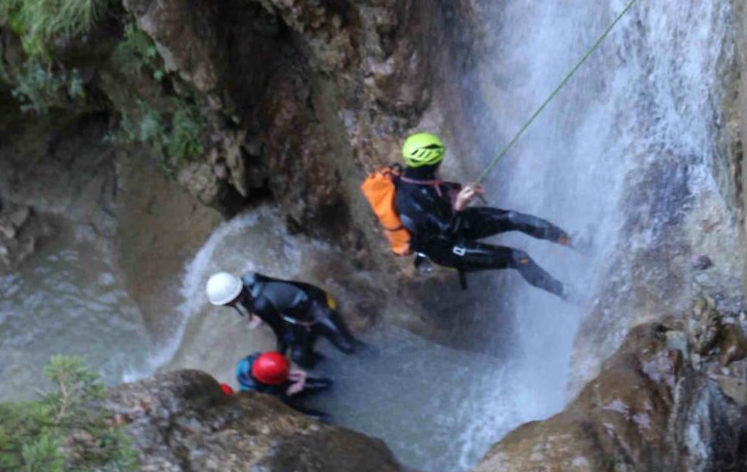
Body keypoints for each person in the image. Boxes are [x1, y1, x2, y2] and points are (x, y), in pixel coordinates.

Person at [381, 130, 586, 298]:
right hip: (447, 247)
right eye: (438, 161)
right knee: (517, 257)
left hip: (456, 221)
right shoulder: (409, 201)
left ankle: (572, 241)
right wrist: (460, 203)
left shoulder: (415, 176)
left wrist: (460, 190)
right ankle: (568, 293)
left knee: (512, 218)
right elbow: (449, 230)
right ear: (431, 162)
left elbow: (436, 188)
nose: (440, 164)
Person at [205, 268, 358, 365]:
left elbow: (284, 335)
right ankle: (334, 368)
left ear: (231, 300)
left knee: (348, 346)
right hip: (297, 310)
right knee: (300, 357)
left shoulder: (260, 305)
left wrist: (276, 357)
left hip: (315, 305)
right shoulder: (250, 279)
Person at [233, 349, 335, 421]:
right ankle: (316, 418)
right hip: (272, 397)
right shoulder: (253, 392)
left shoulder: (256, 360)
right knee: (295, 414)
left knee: (317, 385)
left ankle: (325, 386)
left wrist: (288, 374)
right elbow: (272, 404)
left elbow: (278, 369)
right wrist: (289, 392)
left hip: (274, 384)